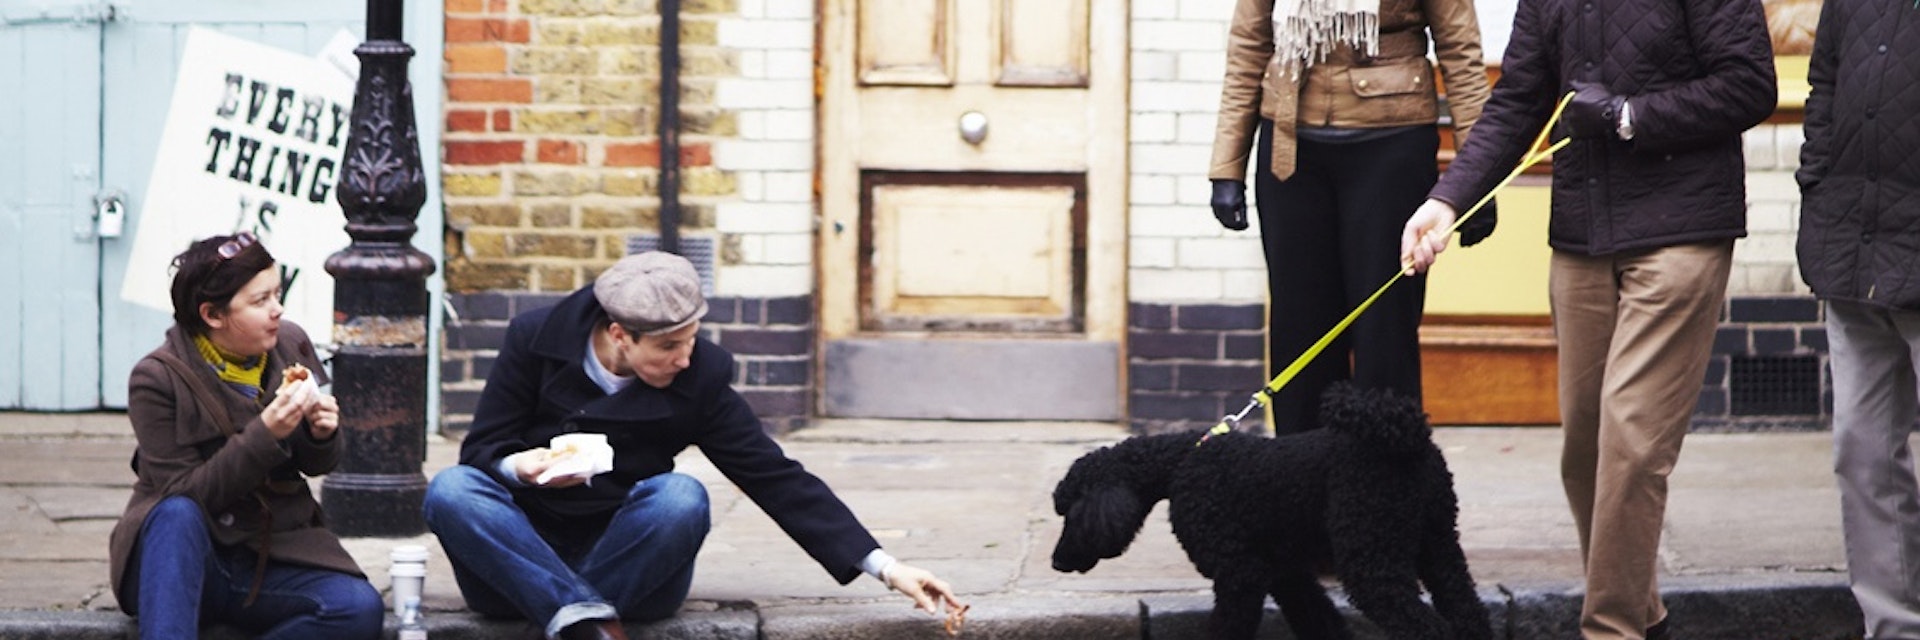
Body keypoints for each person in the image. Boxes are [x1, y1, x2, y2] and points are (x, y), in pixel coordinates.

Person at [1397, 0, 1776, 634]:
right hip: (1582, 235)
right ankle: (1644, 613)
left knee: (1632, 444)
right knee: (1586, 449)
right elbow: (1519, 100)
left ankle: (1611, 627)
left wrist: (1631, 117)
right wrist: (1447, 199)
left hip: (1680, 228)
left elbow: (1748, 84)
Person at [423, 251, 963, 640]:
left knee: (681, 495)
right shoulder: (534, 340)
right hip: (518, 554)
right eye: (668, 347)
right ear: (619, 335)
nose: (684, 358)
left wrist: (886, 567)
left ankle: (571, 617)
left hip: (632, 561)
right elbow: (484, 448)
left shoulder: (698, 376)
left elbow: (774, 475)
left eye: (691, 339)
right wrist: (522, 466)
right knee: (452, 489)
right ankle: (588, 625)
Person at [1208, 0, 1495, 433]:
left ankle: (1388, 489)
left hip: (1391, 145)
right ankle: (1301, 483)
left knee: (1385, 334)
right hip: (1291, 148)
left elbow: (1460, 51)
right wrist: (1227, 166)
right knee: (1299, 331)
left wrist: (1477, 180)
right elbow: (1249, 44)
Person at [108, 232, 383, 640]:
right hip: (179, 560)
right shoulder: (157, 378)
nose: (278, 309)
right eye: (260, 301)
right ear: (213, 315)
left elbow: (314, 464)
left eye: (276, 293)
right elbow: (185, 494)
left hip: (270, 554)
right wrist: (265, 434)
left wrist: (322, 434)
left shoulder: (289, 343)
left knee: (357, 609)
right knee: (177, 513)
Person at [1796, 1, 1920, 636]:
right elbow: (1825, 82)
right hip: (1853, 250)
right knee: (1861, 451)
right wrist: (1816, 188)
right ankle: (1894, 626)